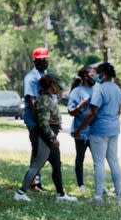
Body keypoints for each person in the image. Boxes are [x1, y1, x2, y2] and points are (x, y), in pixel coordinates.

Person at [14, 74, 77, 203]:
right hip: (45, 137)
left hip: (49, 137)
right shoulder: (44, 100)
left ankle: (61, 194)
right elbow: (43, 124)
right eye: (57, 85)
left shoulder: (48, 98)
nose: (59, 88)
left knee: (56, 165)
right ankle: (20, 193)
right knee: (37, 165)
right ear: (51, 85)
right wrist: (53, 138)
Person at [72, 62, 121, 202]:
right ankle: (119, 195)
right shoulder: (118, 89)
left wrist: (79, 129)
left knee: (99, 163)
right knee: (114, 161)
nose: (95, 76)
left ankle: (98, 196)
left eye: (97, 74)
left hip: (99, 130)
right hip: (114, 129)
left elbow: (92, 113)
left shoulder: (99, 89)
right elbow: (118, 111)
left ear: (104, 74)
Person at [23, 48, 50, 191]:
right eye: (41, 60)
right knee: (38, 149)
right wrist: (40, 119)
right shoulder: (31, 77)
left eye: (46, 59)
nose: (44, 62)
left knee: (41, 150)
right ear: (35, 61)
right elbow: (30, 100)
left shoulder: (43, 75)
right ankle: (33, 182)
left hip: (43, 119)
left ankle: (35, 181)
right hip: (34, 120)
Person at [67, 66, 94, 193]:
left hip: (96, 131)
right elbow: (71, 112)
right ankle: (81, 185)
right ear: (85, 76)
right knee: (80, 158)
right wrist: (80, 106)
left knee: (98, 159)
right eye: (92, 74)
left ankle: (99, 183)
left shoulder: (97, 89)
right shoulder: (77, 91)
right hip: (81, 131)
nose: (95, 76)